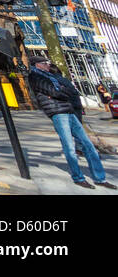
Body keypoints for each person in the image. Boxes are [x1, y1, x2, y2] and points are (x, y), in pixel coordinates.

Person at [27, 57, 114, 189]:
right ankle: (78, 177)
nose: (48, 65)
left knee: (88, 145)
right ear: (37, 65)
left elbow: (68, 91)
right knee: (69, 146)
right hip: (57, 112)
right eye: (45, 63)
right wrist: (61, 92)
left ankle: (100, 178)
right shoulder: (35, 76)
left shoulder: (50, 76)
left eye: (48, 63)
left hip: (69, 110)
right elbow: (54, 92)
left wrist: (61, 92)